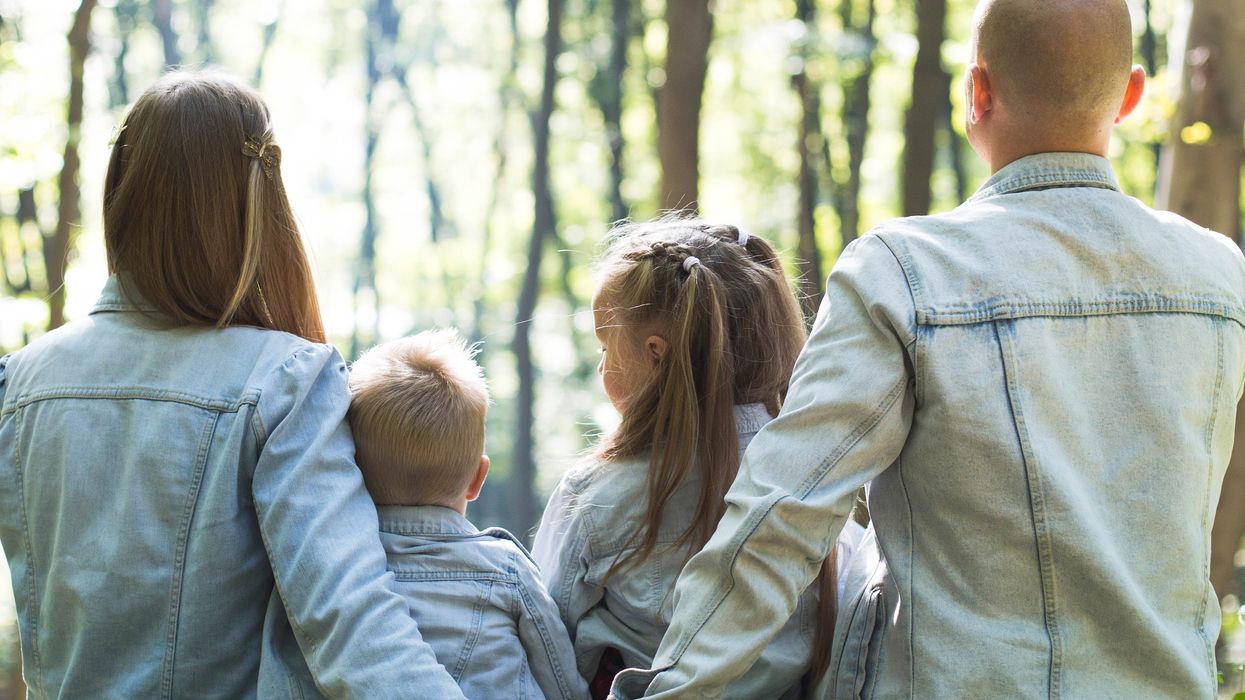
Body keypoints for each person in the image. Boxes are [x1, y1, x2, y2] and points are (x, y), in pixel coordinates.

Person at [608, 1, 1245, 698]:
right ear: (1129, 95)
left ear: (976, 93)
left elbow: (779, 516)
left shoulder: (905, 274)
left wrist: (671, 688)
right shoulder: (1219, 279)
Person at [0, 71, 465, 698]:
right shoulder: (284, 382)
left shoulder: (20, 384)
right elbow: (354, 629)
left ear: (120, 193)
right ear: (258, 204)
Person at [532, 219, 865, 699]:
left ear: (656, 355)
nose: (602, 366)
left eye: (606, 347)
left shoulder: (596, 497)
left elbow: (547, 644)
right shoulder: (818, 488)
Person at [341, 329, 587, 700]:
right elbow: (561, 681)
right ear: (477, 478)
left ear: (351, 472)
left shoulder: (339, 568)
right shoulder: (505, 570)